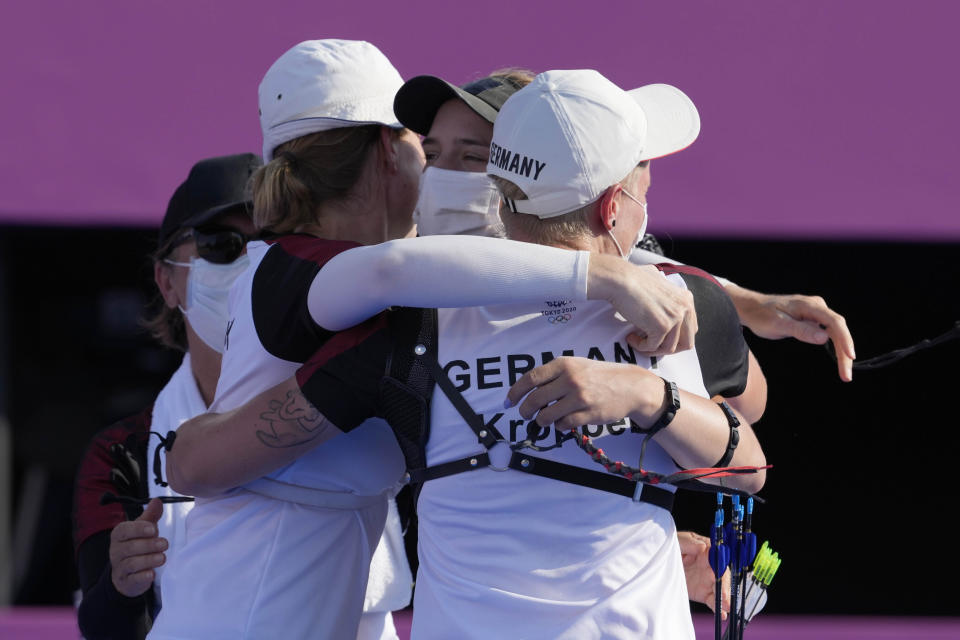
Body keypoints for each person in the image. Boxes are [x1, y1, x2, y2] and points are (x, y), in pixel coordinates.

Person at [169, 70, 769, 639]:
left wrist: (638, 392)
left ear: (500, 192)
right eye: (644, 182)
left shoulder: (409, 325)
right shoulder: (677, 302)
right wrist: (649, 396)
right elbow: (748, 468)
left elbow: (196, 463)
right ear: (615, 206)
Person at [397, 69, 856, 382]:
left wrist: (739, 305)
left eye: (475, 157)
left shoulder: (631, 290)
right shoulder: (386, 271)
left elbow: (740, 454)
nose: (440, 177)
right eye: (432, 155)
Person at [72, 153, 261, 640]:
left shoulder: (349, 404)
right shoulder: (121, 454)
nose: (249, 262)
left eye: (268, 243)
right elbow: (104, 626)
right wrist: (123, 584)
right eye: (221, 244)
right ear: (167, 281)